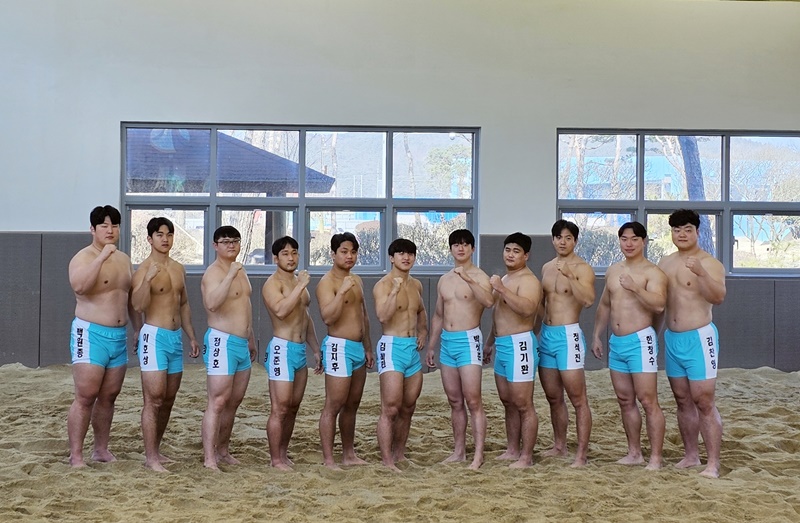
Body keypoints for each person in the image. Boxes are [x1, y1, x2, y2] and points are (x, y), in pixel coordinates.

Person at [67, 205, 139, 467]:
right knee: (86, 395)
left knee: (109, 395)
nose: (110, 231)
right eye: (104, 226)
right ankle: (76, 454)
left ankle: (100, 449)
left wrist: (138, 328)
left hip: (118, 335)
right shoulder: (83, 258)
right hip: (90, 333)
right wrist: (101, 257)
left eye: (115, 226)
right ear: (92, 229)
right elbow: (80, 287)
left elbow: (129, 298)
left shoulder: (124, 259)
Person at [591, 222, 667, 470]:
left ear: (644, 241)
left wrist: (635, 288)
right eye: (624, 239)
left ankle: (655, 457)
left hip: (640, 340)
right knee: (625, 399)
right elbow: (605, 304)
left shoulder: (653, 273)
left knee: (648, 400)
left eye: (634, 239)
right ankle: (634, 452)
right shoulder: (613, 270)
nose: (629, 244)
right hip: (617, 342)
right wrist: (596, 335)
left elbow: (659, 305)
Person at [658, 209, 726, 479]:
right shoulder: (665, 262)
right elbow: (660, 304)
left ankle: (713, 463)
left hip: (699, 338)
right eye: (677, 230)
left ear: (697, 231)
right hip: (672, 338)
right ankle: (691, 455)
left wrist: (701, 273)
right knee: (683, 399)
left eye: (687, 229)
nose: (682, 235)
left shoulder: (709, 263)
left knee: (704, 401)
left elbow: (718, 297)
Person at [130, 217, 201, 472]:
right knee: (154, 398)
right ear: (150, 239)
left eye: (169, 234)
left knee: (169, 398)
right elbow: (137, 305)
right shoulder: (143, 269)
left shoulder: (179, 268)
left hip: (174, 338)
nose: (165, 239)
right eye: (159, 235)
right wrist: (148, 280)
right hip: (154, 336)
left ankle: (157, 450)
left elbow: (184, 303)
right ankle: (150, 457)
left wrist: (191, 336)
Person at [425, 229, 494, 470]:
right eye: (456, 244)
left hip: (468, 341)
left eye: (465, 244)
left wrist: (469, 280)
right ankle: (459, 451)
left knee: (473, 400)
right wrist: (431, 346)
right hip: (447, 342)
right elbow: (438, 314)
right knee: (454, 400)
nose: (461, 248)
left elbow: (489, 302)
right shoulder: (444, 279)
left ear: (473, 248)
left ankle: (478, 454)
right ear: (451, 248)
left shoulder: (480, 276)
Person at [538, 219, 596, 467]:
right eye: (559, 237)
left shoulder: (583, 268)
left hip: (568, 335)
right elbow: (542, 305)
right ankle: (559, 446)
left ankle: (581, 454)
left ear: (575, 241)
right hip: (546, 335)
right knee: (553, 397)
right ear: (553, 240)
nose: (563, 242)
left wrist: (571, 277)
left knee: (578, 398)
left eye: (568, 238)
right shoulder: (546, 267)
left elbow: (588, 300)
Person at [261, 236, 321, 470]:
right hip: (282, 349)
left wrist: (315, 348)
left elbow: (306, 318)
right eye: (285, 254)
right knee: (280, 407)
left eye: (294, 253)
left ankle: (283, 453)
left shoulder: (298, 283)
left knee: (293, 407)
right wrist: (300, 286)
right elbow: (281, 311)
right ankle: (275, 459)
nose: (291, 258)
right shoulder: (272, 284)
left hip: (299, 350)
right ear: (276, 258)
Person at [200, 226, 257, 470]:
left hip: (241, 343)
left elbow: (245, 305)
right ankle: (209, 457)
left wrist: (250, 337)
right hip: (221, 341)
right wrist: (230, 274)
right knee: (218, 401)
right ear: (215, 245)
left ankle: (222, 450)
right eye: (225, 241)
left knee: (233, 401)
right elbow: (212, 303)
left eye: (235, 241)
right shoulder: (213, 273)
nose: (231, 245)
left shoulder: (240, 271)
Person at [483, 232, 542, 468]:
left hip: (520, 344)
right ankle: (512, 449)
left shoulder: (529, 281)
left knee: (523, 403)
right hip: (503, 345)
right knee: (507, 401)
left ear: (526, 256)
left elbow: (528, 309)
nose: (510, 255)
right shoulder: (506, 279)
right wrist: (490, 342)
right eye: (508, 250)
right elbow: (499, 315)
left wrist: (501, 289)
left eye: (516, 251)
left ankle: (526, 457)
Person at [316, 232, 374, 469]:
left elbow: (363, 316)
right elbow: (328, 318)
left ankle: (348, 454)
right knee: (334, 404)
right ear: (333, 254)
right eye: (344, 252)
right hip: (338, 347)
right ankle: (329, 459)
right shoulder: (326, 282)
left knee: (352, 404)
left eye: (353, 252)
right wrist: (341, 292)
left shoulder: (356, 279)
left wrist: (368, 347)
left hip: (358, 348)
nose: (349, 256)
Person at [373, 238, 428, 471]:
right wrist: (395, 291)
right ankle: (387, 460)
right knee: (391, 407)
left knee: (408, 406)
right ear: (391, 258)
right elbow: (382, 316)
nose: (406, 257)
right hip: (392, 346)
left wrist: (423, 331)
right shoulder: (383, 285)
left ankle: (399, 454)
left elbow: (421, 310)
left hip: (411, 349)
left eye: (410, 254)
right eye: (401, 253)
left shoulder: (416, 285)